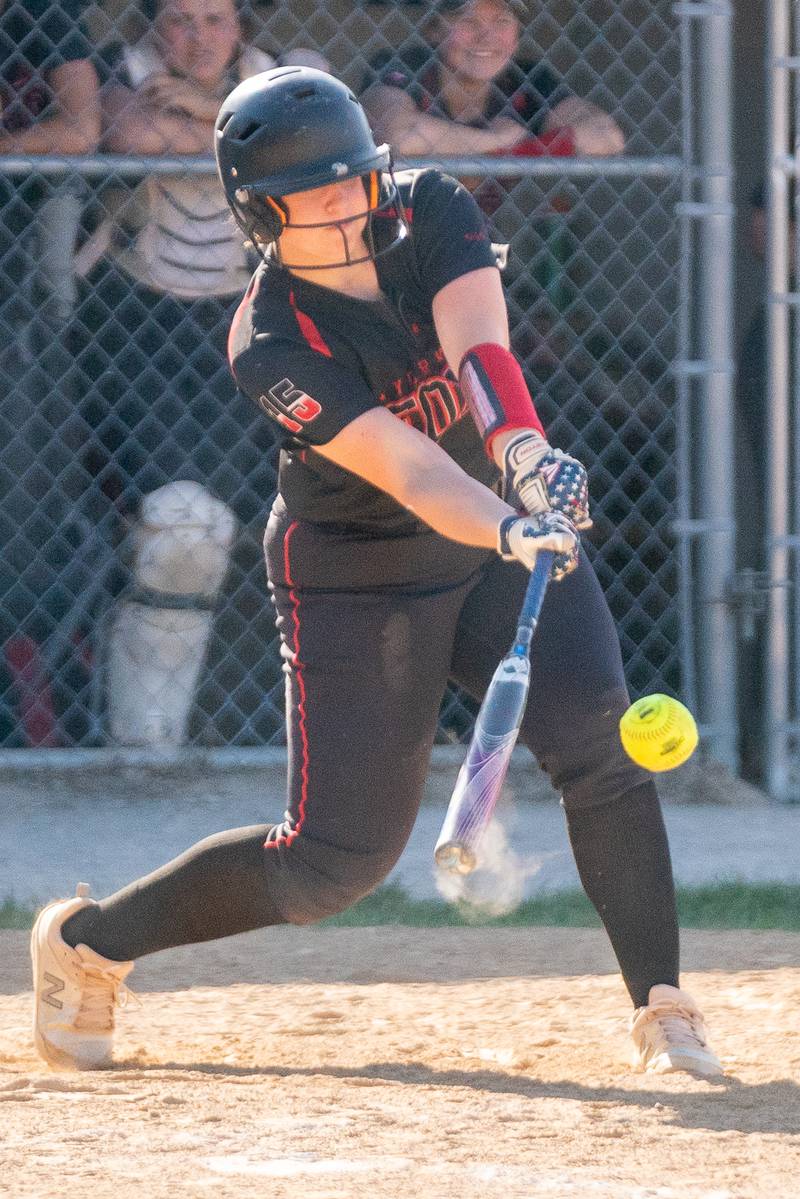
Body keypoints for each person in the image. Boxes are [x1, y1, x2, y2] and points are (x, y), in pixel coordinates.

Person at [31, 67, 722, 1080]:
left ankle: (663, 1007)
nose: (344, 205)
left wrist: (524, 459)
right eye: (309, 194)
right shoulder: (268, 341)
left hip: (497, 529)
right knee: (330, 863)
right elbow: (408, 466)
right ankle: (88, 942)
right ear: (260, 215)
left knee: (596, 740)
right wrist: (503, 523)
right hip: (356, 574)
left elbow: (480, 349)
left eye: (351, 179)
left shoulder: (429, 208)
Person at [69, 0, 329, 746]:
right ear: (151, 24)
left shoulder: (291, 72)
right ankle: (141, 747)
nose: (200, 36)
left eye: (217, 19)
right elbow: (132, 132)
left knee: (208, 528)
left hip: (249, 320)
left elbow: (321, 145)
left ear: (243, 23)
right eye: (180, 19)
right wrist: (253, 137)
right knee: (179, 523)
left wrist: (207, 112)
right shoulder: (117, 71)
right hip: (130, 320)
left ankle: (159, 743)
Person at [1, 0, 100, 745]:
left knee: (25, 504)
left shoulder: (46, 14)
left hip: (15, 290)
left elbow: (80, 128)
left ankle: (30, 713)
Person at [360, 0, 625, 164]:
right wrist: (497, 141)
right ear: (435, 30)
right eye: (468, 20)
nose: (486, 36)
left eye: (502, 21)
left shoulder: (528, 77)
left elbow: (606, 137)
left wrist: (519, 151)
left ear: (517, 36)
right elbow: (396, 135)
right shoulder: (402, 63)